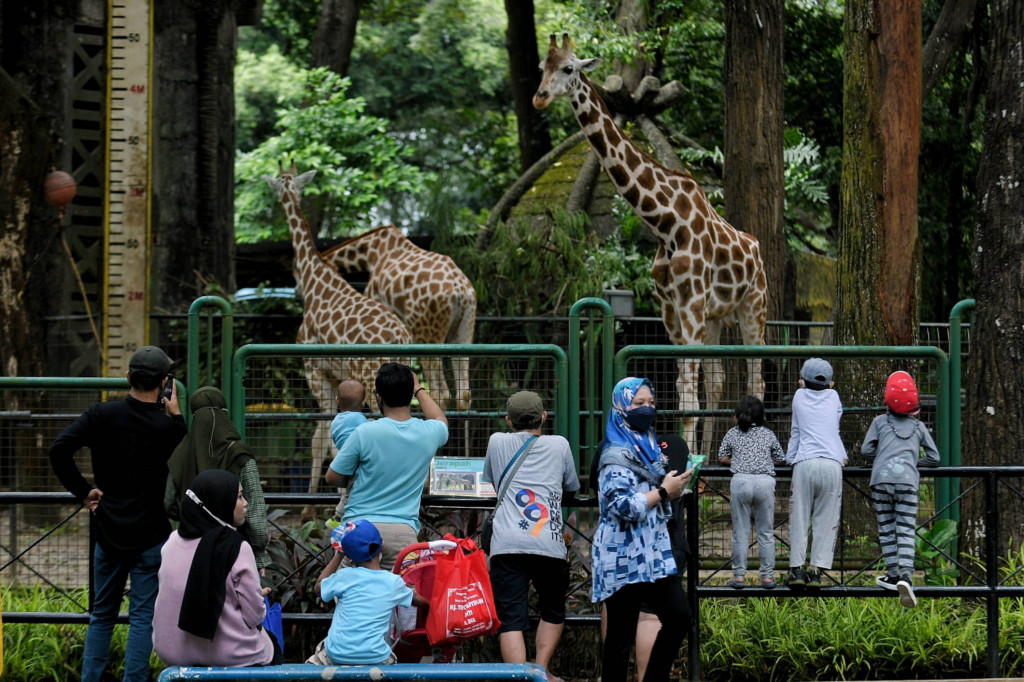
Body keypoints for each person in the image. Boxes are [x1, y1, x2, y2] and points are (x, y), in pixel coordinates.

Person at [48, 346, 187, 682]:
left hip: (109, 531)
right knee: (142, 618)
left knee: (101, 615)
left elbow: (59, 450)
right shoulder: (168, 428)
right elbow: (184, 464)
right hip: (151, 535)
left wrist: (84, 491)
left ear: (128, 378)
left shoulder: (101, 415)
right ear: (164, 383)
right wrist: (177, 417)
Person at [592, 377, 692, 682]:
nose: (647, 409)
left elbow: (652, 491)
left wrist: (672, 488)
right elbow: (621, 506)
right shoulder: (614, 455)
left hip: (653, 553)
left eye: (651, 402)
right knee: (620, 638)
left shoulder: (648, 445)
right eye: (638, 403)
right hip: (623, 555)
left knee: (679, 618)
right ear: (621, 407)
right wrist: (663, 492)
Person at [481, 390, 580, 674]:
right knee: (553, 610)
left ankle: (519, 677)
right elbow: (571, 487)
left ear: (508, 420)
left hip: (507, 544)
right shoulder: (559, 444)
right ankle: (541, 671)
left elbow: (492, 481)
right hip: (548, 542)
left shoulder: (496, 441)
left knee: (511, 618)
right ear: (544, 417)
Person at [325, 362, 448, 571]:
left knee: (352, 591)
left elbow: (332, 477)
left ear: (378, 397)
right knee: (401, 592)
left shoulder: (364, 432)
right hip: (402, 533)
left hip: (358, 530)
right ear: (410, 395)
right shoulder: (429, 433)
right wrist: (419, 389)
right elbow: (440, 418)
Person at [152, 469, 281, 666]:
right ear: (220, 503)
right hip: (228, 654)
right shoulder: (237, 547)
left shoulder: (171, 543)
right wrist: (257, 597)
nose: (246, 502)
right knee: (273, 648)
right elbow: (254, 616)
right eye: (239, 497)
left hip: (170, 651)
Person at [164, 386, 270, 570]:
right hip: (233, 549)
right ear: (224, 413)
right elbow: (255, 507)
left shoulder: (180, 453)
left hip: (190, 550)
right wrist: (259, 551)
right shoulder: (239, 454)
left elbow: (168, 502)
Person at [861, 371, 940, 609]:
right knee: (905, 530)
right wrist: (912, 463)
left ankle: (892, 574)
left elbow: (866, 450)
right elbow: (934, 457)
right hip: (908, 483)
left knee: (886, 529)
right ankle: (906, 576)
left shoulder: (879, 422)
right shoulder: (919, 426)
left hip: (881, 481)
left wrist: (881, 460)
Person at [306, 519, 428, 665]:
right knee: (389, 656)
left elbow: (318, 586)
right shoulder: (393, 582)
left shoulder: (344, 576)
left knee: (321, 652)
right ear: (382, 545)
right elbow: (416, 599)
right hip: (375, 657)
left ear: (348, 557)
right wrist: (431, 605)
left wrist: (338, 555)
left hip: (337, 656)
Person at [784, 358, 848, 589]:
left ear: (802, 381)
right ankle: (816, 571)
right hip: (832, 463)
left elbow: (796, 431)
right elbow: (833, 429)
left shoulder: (798, 397)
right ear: (831, 384)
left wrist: (789, 457)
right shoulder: (834, 397)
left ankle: (796, 569)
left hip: (805, 462)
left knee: (799, 518)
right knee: (827, 519)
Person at [718, 395, 786, 589]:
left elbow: (722, 457)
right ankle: (768, 577)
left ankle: (739, 576)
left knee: (740, 532)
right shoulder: (768, 434)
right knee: (766, 532)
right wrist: (763, 462)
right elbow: (781, 458)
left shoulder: (732, 433)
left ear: (737, 416)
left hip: (741, 481)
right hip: (765, 482)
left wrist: (740, 461)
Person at [328, 379, 368, 524]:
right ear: (364, 402)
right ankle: (338, 517)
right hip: (358, 459)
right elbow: (367, 434)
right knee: (353, 489)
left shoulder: (336, 421)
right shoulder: (360, 420)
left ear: (337, 401)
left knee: (350, 488)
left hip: (346, 458)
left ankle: (339, 517)